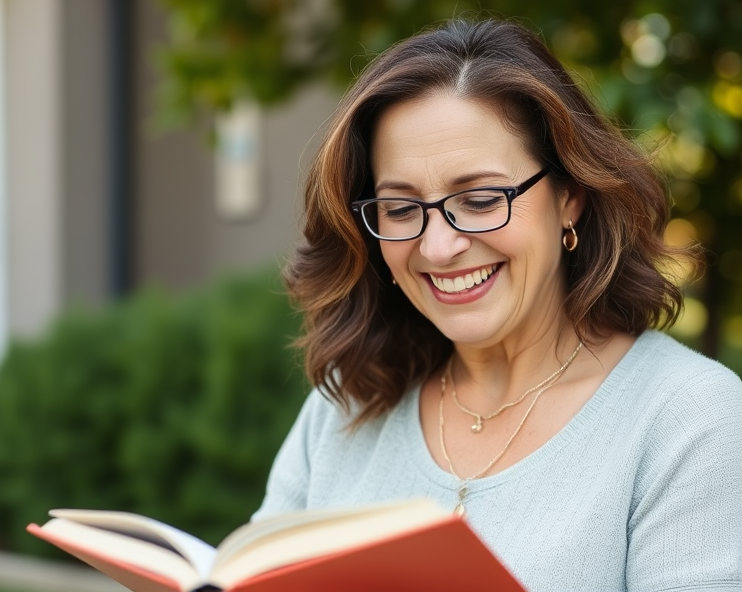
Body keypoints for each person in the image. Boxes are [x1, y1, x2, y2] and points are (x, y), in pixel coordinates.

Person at [252, 17, 742, 592]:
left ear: (570, 197)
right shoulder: (344, 403)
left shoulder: (687, 419)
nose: (438, 247)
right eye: (402, 210)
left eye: (481, 199)